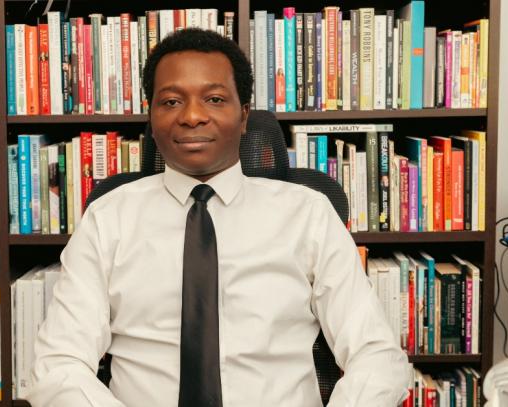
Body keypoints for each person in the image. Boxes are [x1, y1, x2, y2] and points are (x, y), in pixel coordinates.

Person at [29, 28, 410, 406]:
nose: (192, 116)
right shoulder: (108, 218)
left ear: (243, 115)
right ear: (151, 115)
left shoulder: (308, 214)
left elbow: (376, 356)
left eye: (213, 98)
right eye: (171, 101)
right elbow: (58, 365)